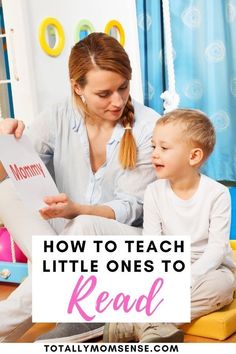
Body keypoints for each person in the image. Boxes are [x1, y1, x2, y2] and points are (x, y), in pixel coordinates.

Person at [0, 32, 160, 343]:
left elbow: (132, 209)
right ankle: (71, 294)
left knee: (84, 226)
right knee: (6, 191)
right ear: (78, 88)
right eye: (104, 93)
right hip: (65, 245)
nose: (118, 101)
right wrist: (5, 145)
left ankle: (66, 301)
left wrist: (78, 209)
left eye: (123, 88)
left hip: (122, 242)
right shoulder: (58, 114)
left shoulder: (148, 127)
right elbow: (17, 177)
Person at [103, 108, 236, 342]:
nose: (154, 154)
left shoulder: (217, 193)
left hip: (209, 270)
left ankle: (143, 323)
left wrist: (187, 277)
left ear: (193, 157)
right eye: (154, 146)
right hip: (169, 266)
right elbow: (152, 244)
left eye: (164, 148)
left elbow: (216, 250)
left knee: (223, 286)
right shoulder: (153, 191)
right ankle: (150, 325)